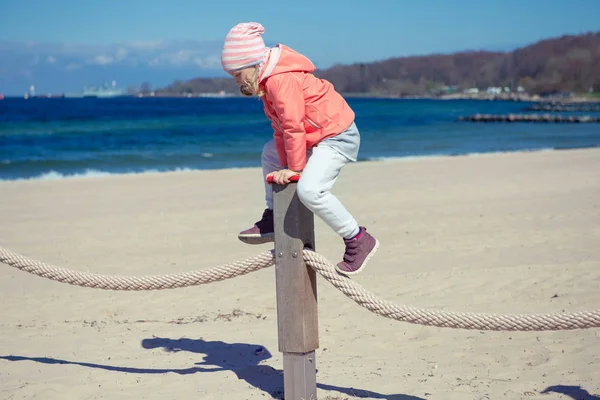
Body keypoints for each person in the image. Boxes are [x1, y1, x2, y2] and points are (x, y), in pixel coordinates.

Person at [221, 22, 379, 276]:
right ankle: (273, 215)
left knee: (310, 190)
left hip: (337, 136)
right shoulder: (266, 83)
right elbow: (281, 130)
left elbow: (293, 125)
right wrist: (285, 166)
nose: (237, 81)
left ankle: (357, 238)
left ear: (250, 64)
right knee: (269, 152)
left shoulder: (280, 80)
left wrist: (294, 168)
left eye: (237, 75)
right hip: (315, 137)